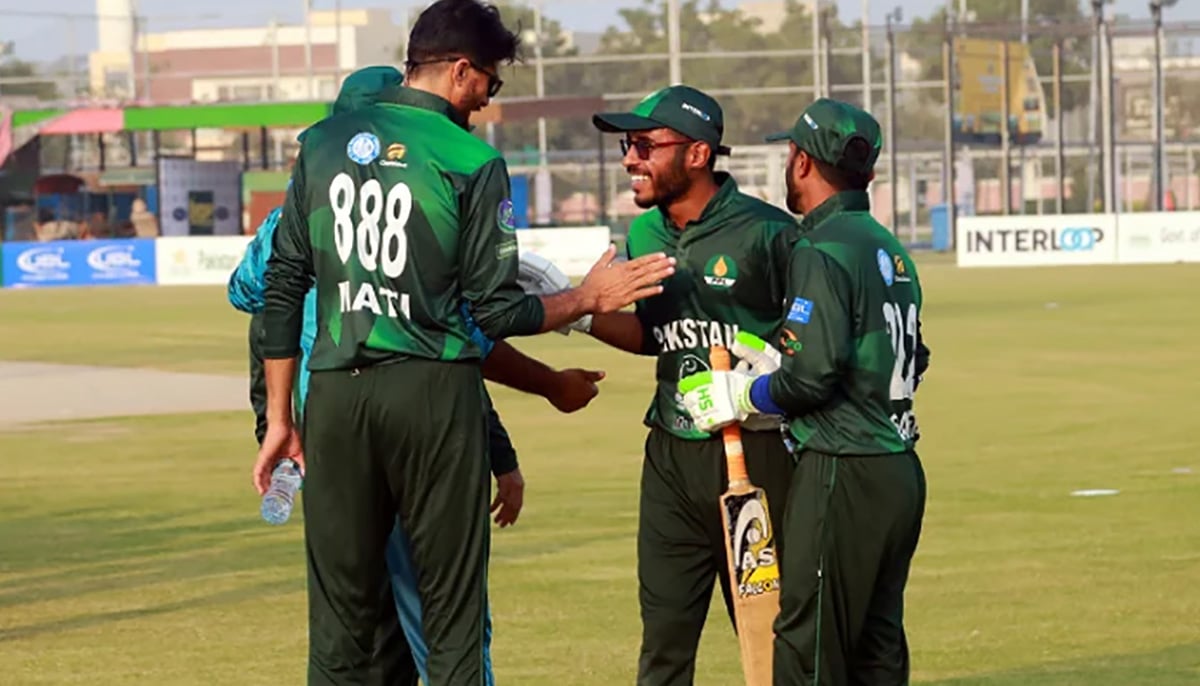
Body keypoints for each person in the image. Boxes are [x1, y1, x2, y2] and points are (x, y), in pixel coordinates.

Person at [253, 1, 676, 684]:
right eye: (489, 82)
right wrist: (586, 299)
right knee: (450, 620)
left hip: (333, 397)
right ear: (458, 71)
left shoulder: (323, 144)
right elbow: (497, 308)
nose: (486, 99)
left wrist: (279, 419)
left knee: (337, 625)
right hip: (432, 395)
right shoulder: (470, 159)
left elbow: (281, 287)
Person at [677, 98, 931, 686]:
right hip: (899, 468)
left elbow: (811, 378)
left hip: (845, 467)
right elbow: (912, 359)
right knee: (877, 646)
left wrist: (746, 394)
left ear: (800, 162)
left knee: (808, 645)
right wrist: (780, 361)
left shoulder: (820, 246)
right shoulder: (887, 246)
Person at [583, 84, 800, 686]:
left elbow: (813, 341)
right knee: (664, 641)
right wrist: (583, 310)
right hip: (671, 456)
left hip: (756, 454)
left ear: (698, 154)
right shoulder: (646, 236)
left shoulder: (769, 233)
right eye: (629, 145)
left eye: (646, 145)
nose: (630, 158)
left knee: (770, 634)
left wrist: (768, 373)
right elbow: (654, 334)